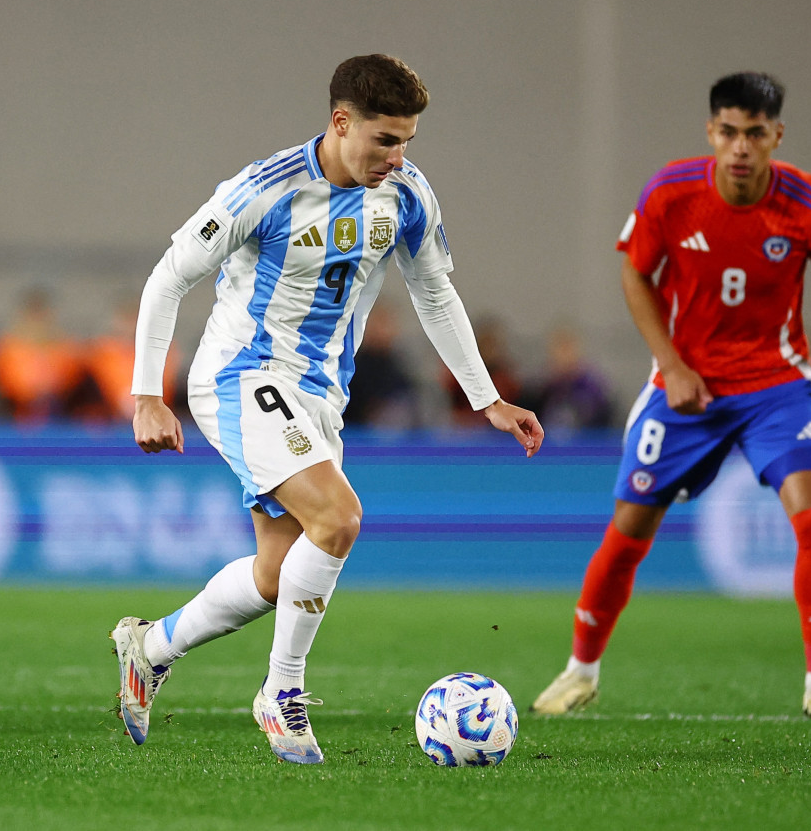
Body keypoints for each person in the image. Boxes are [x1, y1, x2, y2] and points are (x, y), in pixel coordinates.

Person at [112, 54, 544, 765]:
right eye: (384, 139)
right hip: (241, 373)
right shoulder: (266, 188)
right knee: (339, 518)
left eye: (407, 140)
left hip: (318, 396)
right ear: (341, 122)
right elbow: (168, 279)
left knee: (279, 575)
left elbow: (433, 292)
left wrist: (486, 397)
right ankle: (280, 695)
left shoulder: (405, 192)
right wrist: (146, 395)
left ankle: (149, 647)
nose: (397, 156)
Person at [531, 72, 811, 721]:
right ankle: (579, 671)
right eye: (729, 132)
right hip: (686, 389)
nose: (742, 147)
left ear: (777, 135)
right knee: (630, 530)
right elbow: (635, 273)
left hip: (776, 387)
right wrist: (669, 365)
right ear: (711, 133)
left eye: (756, 134)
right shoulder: (670, 192)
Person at [0, 287, 86, 422]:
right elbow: (4, 385)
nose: (37, 322)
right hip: (13, 420)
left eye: (42, 315)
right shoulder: (5, 350)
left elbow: (73, 385)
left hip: (60, 420)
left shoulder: (68, 351)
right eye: (33, 314)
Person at [342, 304, 420, 429]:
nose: (383, 330)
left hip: (390, 434)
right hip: (355, 432)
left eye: (386, 325)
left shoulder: (398, 364)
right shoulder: (352, 364)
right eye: (378, 324)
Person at [526, 323, 614, 431]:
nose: (564, 355)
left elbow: (604, 421)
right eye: (559, 348)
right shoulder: (538, 388)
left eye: (567, 348)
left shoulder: (594, 388)